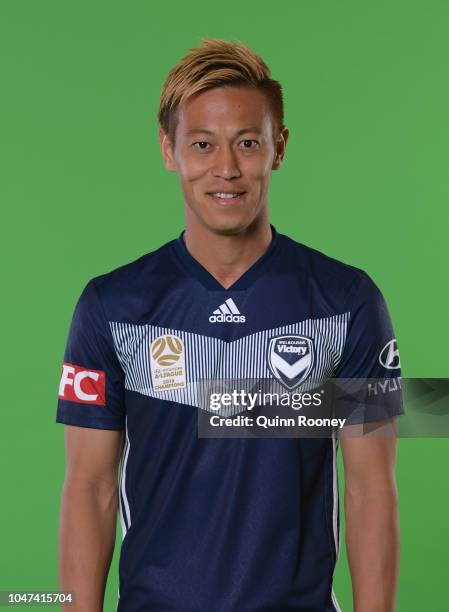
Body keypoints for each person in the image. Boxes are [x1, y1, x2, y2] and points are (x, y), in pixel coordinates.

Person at [56, 38, 403, 612]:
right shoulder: (112, 306)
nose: (227, 168)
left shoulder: (347, 302)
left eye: (247, 143)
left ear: (279, 147)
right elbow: (89, 489)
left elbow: (370, 489)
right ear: (169, 150)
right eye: (202, 144)